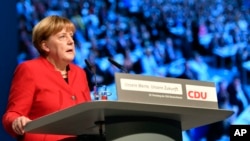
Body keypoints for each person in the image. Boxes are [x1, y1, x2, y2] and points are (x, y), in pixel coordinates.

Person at [2, 15, 91, 141]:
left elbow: (88, 116)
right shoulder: (29, 70)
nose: (71, 41)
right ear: (45, 46)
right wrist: (17, 121)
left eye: (71, 35)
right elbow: (12, 114)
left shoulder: (80, 73)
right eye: (62, 37)